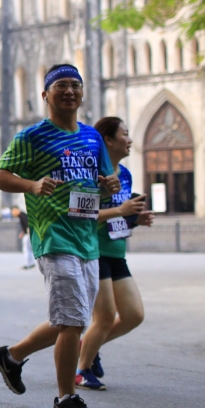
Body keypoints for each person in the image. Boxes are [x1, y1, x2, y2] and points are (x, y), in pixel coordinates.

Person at [0, 64, 120, 408]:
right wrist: (30, 185)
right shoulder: (32, 137)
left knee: (70, 318)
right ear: (46, 95)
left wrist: (107, 186)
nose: (70, 91)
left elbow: (104, 179)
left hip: (87, 240)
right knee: (72, 319)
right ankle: (65, 400)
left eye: (76, 85)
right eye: (61, 85)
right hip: (53, 237)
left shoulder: (92, 137)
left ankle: (10, 356)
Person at [76, 117, 153, 390]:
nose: (130, 140)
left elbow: (120, 216)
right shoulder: (91, 173)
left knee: (134, 315)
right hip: (93, 251)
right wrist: (121, 211)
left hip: (117, 252)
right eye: (125, 134)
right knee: (105, 317)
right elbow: (81, 215)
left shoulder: (127, 174)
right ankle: (81, 370)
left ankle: (89, 345)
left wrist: (135, 219)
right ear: (108, 140)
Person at [14, 205, 36, 269]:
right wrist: (23, 233)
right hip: (27, 233)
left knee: (26, 249)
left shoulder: (22, 215)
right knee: (28, 249)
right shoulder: (21, 215)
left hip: (28, 234)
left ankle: (28, 263)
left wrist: (28, 232)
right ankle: (31, 262)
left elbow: (27, 224)